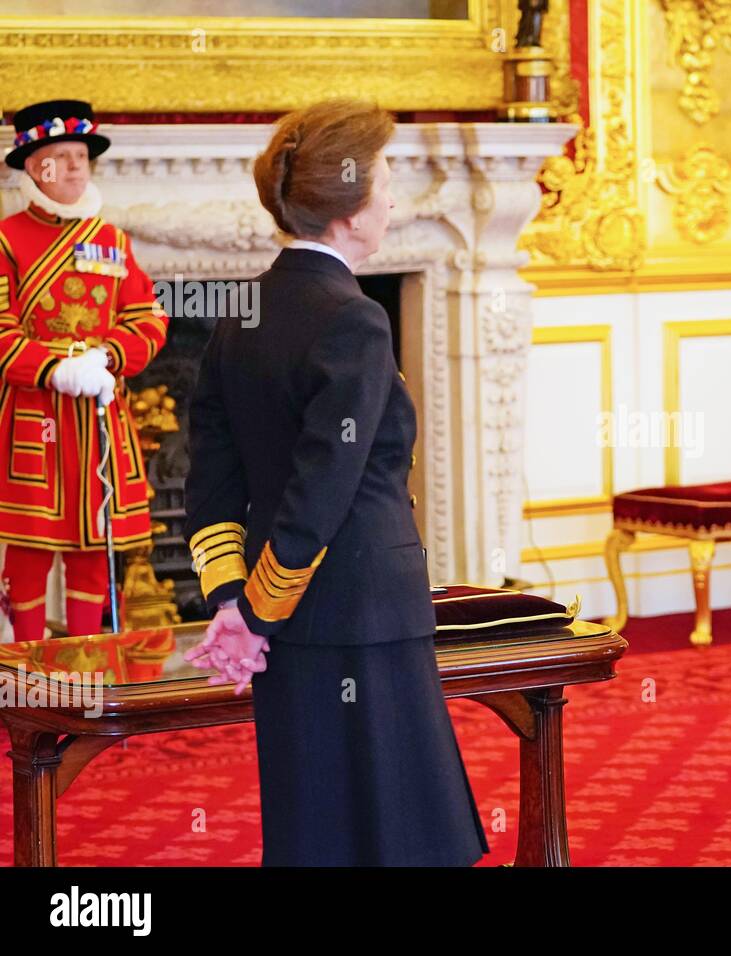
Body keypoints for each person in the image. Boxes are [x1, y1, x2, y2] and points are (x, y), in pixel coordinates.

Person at [182, 99, 487, 866]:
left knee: (315, 826)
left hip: (285, 625)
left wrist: (233, 601)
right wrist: (255, 610)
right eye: (384, 179)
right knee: (400, 835)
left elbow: (211, 480)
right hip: (364, 612)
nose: (391, 196)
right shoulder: (353, 318)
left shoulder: (237, 314)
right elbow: (325, 486)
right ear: (350, 213)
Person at [0, 99, 168, 640]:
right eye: (61, 156)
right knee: (29, 551)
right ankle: (23, 679)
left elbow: (148, 316)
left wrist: (110, 356)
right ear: (32, 166)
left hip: (99, 417)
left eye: (81, 156)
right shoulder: (6, 240)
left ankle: (88, 665)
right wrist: (55, 369)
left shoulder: (112, 241)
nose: (75, 166)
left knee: (96, 549)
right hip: (35, 418)